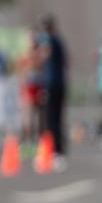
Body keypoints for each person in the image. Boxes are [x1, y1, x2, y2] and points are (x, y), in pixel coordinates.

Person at [35, 15, 68, 166]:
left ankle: (54, 151)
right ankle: (58, 151)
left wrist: (36, 52)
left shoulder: (49, 40)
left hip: (52, 84)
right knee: (56, 119)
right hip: (59, 84)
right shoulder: (59, 41)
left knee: (50, 120)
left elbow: (43, 56)